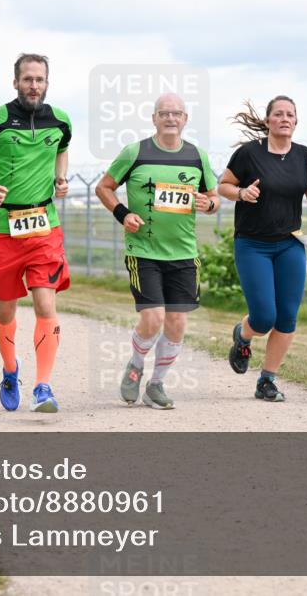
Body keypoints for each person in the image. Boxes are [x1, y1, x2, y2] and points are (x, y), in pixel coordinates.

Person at [96, 93, 220, 410]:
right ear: (154, 118)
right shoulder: (135, 152)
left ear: (185, 119)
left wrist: (210, 204)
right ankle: (136, 366)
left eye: (176, 113)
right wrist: (123, 214)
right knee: (153, 319)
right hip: (144, 251)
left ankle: (156, 384)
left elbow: (213, 196)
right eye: (164, 113)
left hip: (183, 253)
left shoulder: (197, 156)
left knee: (176, 323)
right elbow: (104, 187)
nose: (170, 118)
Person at [0, 53, 72, 413]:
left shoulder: (60, 120)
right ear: (15, 82)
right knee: (6, 310)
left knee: (45, 301)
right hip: (2, 229)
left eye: (40, 79)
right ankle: (11, 369)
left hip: (44, 226)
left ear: (47, 82)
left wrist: (61, 178)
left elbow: (63, 148)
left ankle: (43, 386)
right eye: (27, 79)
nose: (34, 85)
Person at [217, 96, 307, 402]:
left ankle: (267, 380)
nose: (284, 118)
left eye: (290, 114)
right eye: (278, 114)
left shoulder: (305, 156)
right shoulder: (249, 154)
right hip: (253, 244)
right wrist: (241, 193)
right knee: (264, 316)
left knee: (287, 317)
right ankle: (243, 337)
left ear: (296, 121)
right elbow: (223, 186)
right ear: (267, 121)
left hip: (290, 243)